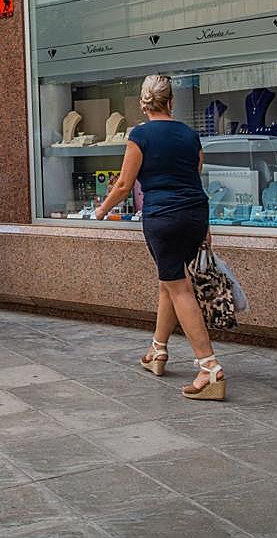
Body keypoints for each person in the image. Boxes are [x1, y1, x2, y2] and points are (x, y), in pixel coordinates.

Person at [94, 74, 225, 400]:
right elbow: (195, 175)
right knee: (170, 280)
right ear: (171, 102)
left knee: (179, 288)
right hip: (196, 213)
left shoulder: (140, 135)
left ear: (143, 103)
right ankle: (158, 349)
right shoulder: (190, 134)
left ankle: (208, 367)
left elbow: (125, 183)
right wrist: (205, 225)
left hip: (163, 217)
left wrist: (100, 210)